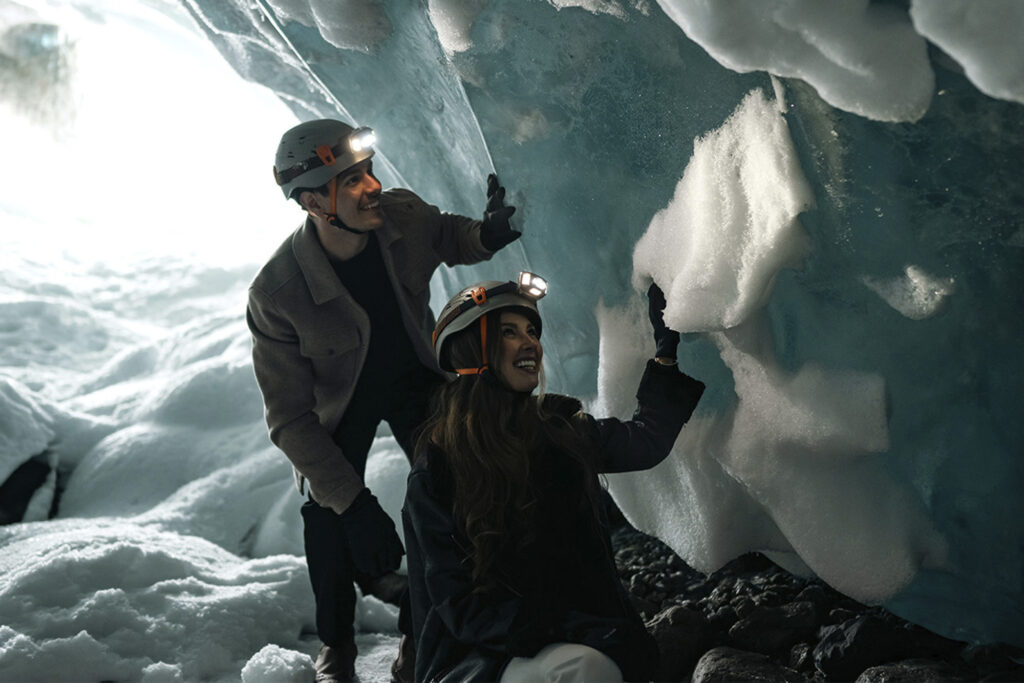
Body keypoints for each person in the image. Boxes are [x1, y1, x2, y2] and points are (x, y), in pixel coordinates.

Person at [246, 118, 521, 683]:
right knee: (327, 513)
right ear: (311, 201)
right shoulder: (277, 294)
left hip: (412, 377)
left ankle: (421, 633)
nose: (370, 186)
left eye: (367, 171)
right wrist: (355, 505)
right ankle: (338, 646)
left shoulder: (400, 215)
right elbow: (291, 420)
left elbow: (450, 237)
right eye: (349, 181)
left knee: (445, 492)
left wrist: (489, 234)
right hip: (336, 405)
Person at [402, 273, 706, 682]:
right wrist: (570, 630)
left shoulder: (558, 433)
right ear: (471, 350)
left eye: (532, 331)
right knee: (585, 667)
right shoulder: (437, 468)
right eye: (509, 332)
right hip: (480, 660)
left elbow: (645, 442)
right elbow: (460, 607)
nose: (530, 343)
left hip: (561, 642)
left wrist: (665, 354)